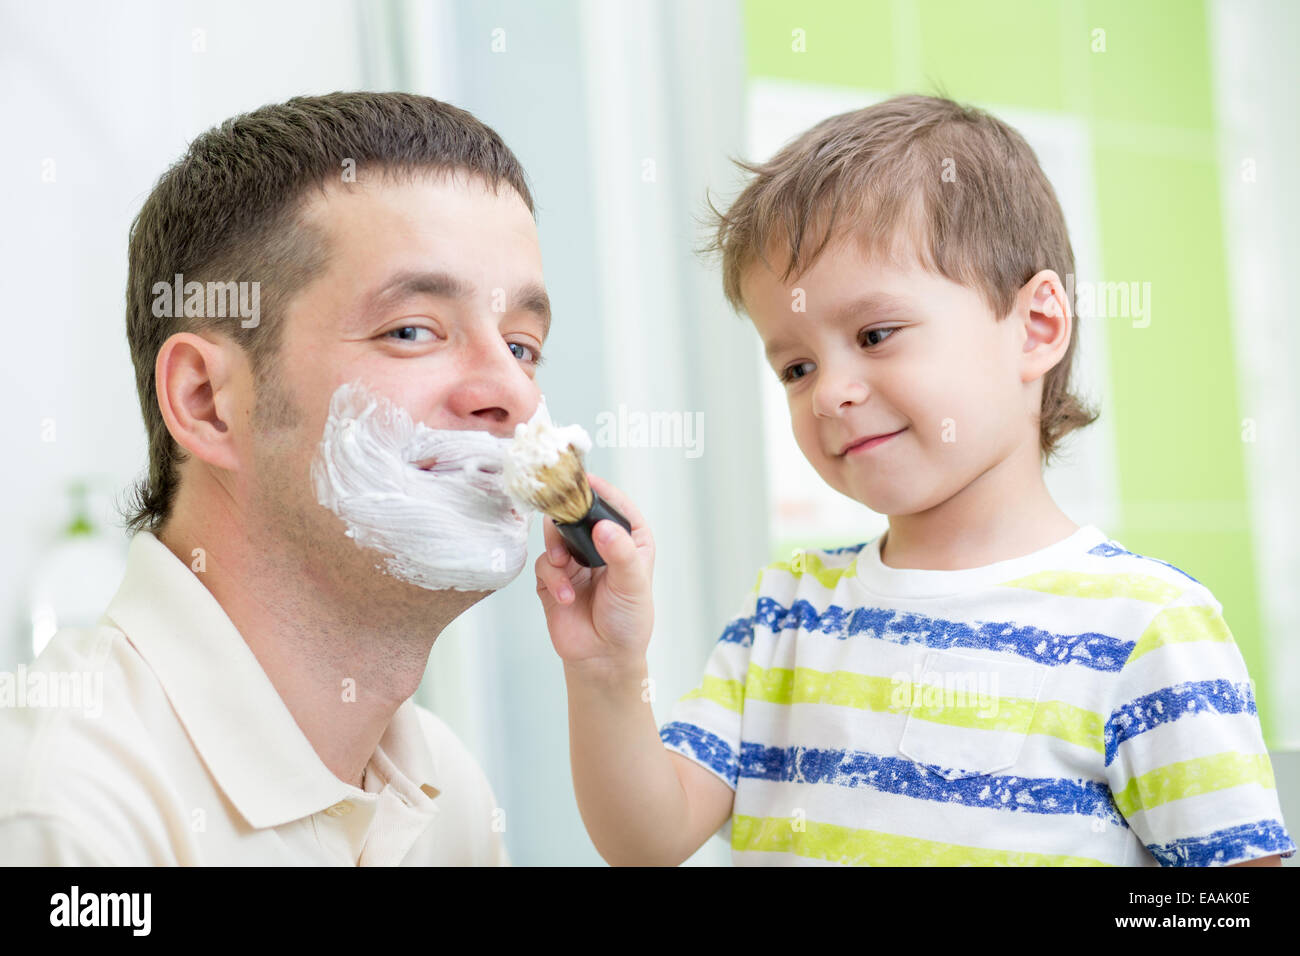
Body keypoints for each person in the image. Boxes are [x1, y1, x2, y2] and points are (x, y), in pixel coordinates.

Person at [534, 94, 1296, 867]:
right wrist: (605, 670)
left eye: (875, 335)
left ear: (1036, 327)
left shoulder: (1147, 627)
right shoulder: (787, 615)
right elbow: (646, 842)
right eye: (796, 366)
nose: (830, 391)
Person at [0, 92, 552, 865]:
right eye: (413, 331)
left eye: (523, 345)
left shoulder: (445, 795)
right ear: (207, 402)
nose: (517, 394)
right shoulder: (67, 811)